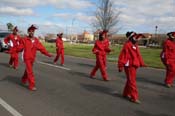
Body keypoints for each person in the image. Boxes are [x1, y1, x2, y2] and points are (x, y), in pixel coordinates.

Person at [17, 25, 53, 91]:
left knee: (27, 70)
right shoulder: (24, 40)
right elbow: (19, 48)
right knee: (30, 71)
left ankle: (23, 79)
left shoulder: (36, 40)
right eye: (30, 31)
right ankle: (32, 85)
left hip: (32, 58)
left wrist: (48, 54)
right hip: (27, 58)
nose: (31, 32)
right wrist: (12, 50)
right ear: (28, 32)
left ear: (34, 32)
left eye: (32, 31)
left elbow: (42, 48)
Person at [118, 31, 146, 104]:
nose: (137, 39)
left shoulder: (135, 45)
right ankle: (134, 97)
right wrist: (120, 65)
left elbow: (138, 55)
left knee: (130, 80)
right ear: (130, 38)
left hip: (134, 65)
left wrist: (142, 63)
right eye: (135, 37)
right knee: (132, 81)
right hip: (129, 66)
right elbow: (122, 56)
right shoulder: (127, 45)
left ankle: (125, 93)